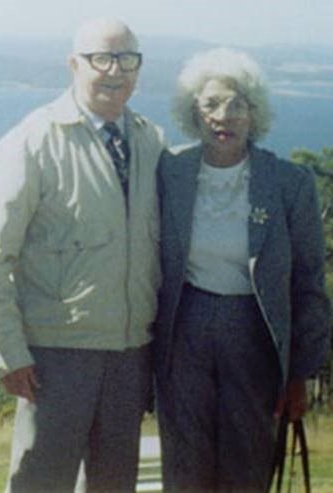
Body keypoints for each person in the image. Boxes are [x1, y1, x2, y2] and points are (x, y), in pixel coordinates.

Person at [0, 18, 166, 493]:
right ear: (74, 64)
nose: (115, 70)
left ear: (139, 67)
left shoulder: (151, 142)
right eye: (102, 58)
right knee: (41, 483)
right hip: (53, 361)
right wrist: (9, 354)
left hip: (129, 357)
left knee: (114, 486)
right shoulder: (30, 143)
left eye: (127, 59)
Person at [154, 47, 331, 493]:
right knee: (185, 464)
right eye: (211, 104)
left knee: (248, 462)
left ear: (255, 114)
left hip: (254, 332)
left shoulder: (290, 183)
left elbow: (309, 284)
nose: (224, 116)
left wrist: (300, 374)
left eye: (237, 105)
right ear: (193, 112)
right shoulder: (169, 171)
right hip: (183, 331)